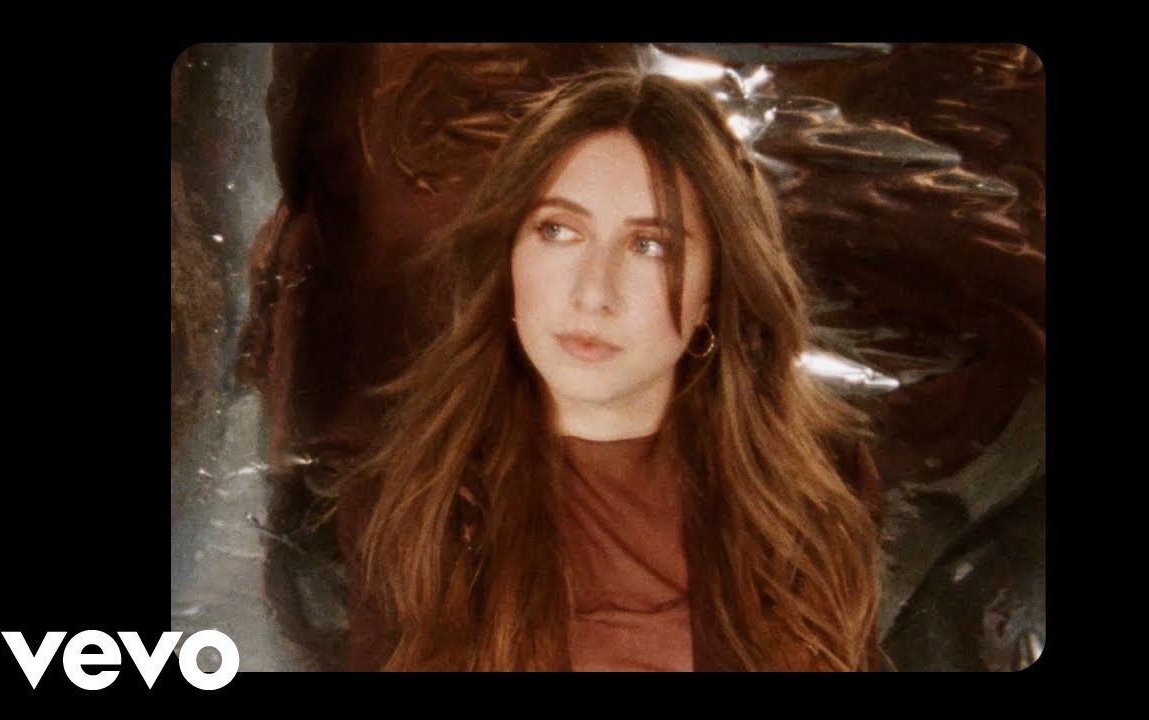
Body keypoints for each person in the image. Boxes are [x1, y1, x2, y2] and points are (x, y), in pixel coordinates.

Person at [333, 67, 884, 671]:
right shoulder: (410, 507)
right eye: (557, 230)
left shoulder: (819, 491)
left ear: (714, 291)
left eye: (650, 245)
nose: (593, 292)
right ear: (508, 255)